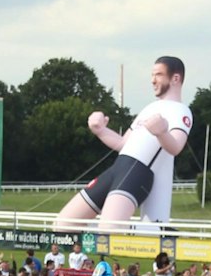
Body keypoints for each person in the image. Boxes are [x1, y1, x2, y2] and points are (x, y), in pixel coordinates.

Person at [55, 57, 191, 229]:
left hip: (137, 173)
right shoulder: (149, 108)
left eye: (158, 74)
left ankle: (151, 233)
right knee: (63, 224)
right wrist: (101, 130)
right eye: (152, 75)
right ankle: (148, 232)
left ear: (175, 78)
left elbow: (176, 147)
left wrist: (162, 132)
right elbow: (123, 144)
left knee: (109, 229)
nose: (152, 80)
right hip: (118, 168)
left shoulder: (181, 111)